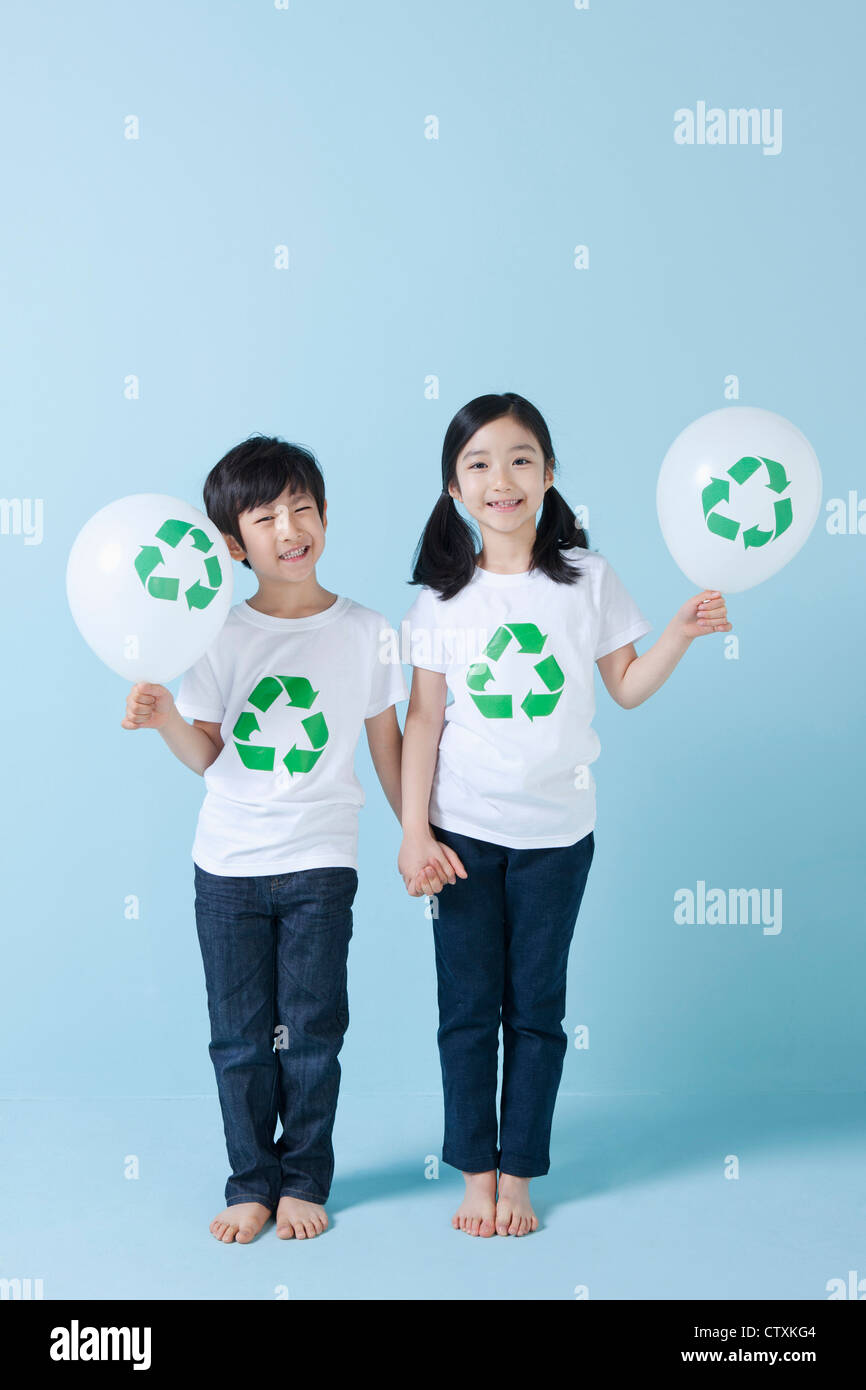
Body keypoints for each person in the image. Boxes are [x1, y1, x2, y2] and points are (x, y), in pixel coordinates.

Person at [399, 392, 730, 1238]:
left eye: (520, 459)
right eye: (478, 464)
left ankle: (519, 1173)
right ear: (453, 489)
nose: (501, 479)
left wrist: (679, 634)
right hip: (462, 835)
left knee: (537, 1011)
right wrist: (414, 832)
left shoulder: (588, 578)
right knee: (466, 1010)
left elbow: (626, 686)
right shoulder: (440, 599)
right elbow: (424, 721)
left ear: (549, 474)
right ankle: (475, 1173)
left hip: (558, 837)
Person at [122, 434, 407, 1244]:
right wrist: (166, 718)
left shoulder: (367, 630)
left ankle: (304, 1179)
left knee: (313, 1033)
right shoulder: (217, 633)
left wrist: (413, 834)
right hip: (229, 865)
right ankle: (251, 1182)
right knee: (240, 1038)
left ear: (325, 516)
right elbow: (209, 755)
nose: (290, 529)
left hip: (321, 862)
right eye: (266, 517)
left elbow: (389, 747)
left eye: (302, 508)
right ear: (232, 544)